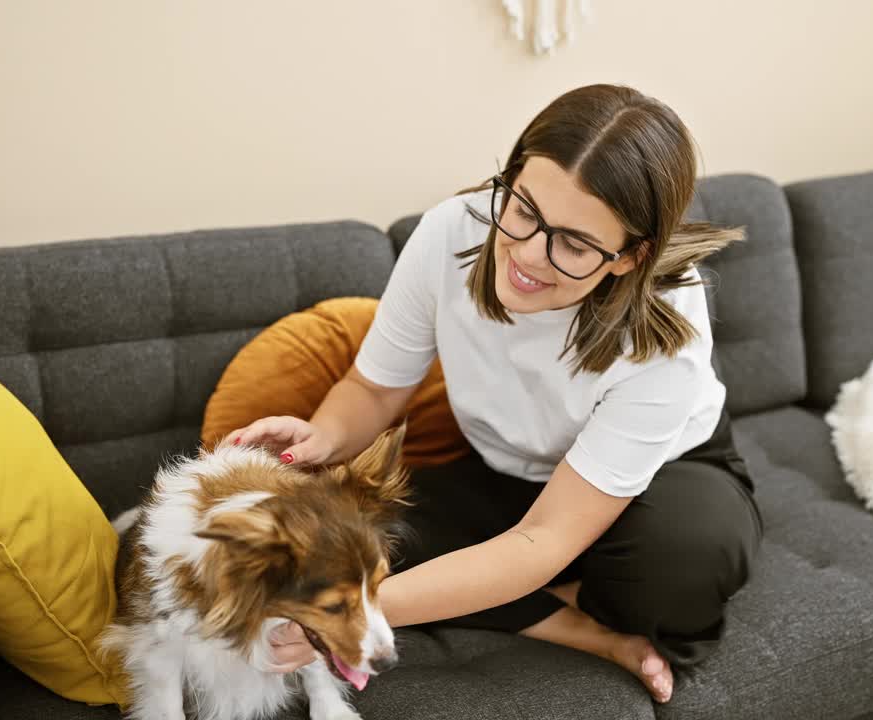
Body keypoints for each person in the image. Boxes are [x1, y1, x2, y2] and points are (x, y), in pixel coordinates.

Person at [225, 83, 764, 704]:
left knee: (678, 570)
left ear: (628, 257)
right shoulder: (452, 233)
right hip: (505, 472)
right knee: (340, 542)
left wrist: (360, 609)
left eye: (575, 244)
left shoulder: (665, 324)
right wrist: (324, 437)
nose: (529, 256)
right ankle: (582, 625)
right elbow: (372, 389)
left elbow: (545, 538)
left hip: (668, 476)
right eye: (525, 209)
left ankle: (538, 593)